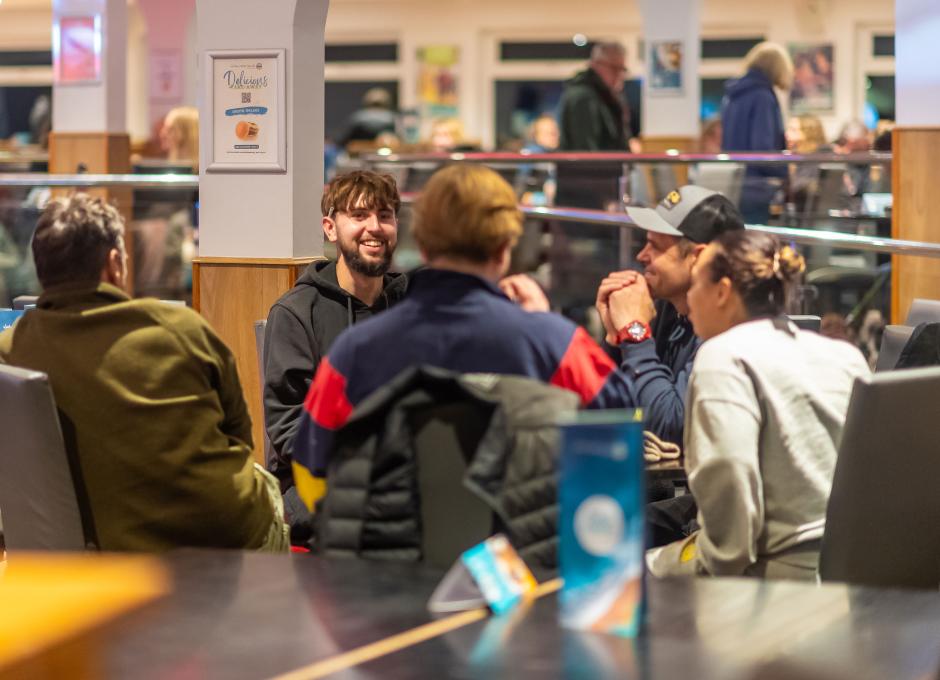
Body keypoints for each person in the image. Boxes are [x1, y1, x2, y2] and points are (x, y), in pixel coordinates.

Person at [290, 164, 639, 510]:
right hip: (523, 555)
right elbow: (621, 439)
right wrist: (542, 323)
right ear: (505, 248)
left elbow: (310, 470)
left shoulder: (355, 351)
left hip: (389, 561)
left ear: (423, 247)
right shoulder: (558, 345)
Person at [0, 194, 288, 552]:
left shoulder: (12, 351)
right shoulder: (181, 328)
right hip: (216, 534)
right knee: (266, 486)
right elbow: (240, 438)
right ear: (114, 262)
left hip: (95, 554)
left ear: (41, 269)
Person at [646, 230, 869, 579]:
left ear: (721, 292)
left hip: (767, 585)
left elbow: (729, 534)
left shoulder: (723, 356)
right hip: (849, 577)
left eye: (696, 284)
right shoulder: (846, 357)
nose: (688, 297)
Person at [263, 171, 408, 495]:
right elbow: (288, 430)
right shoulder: (297, 312)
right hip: (322, 492)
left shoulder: (412, 305)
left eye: (385, 215)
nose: (374, 227)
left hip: (404, 485)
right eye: (359, 215)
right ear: (330, 228)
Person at [596, 185, 745, 447]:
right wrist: (615, 340)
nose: (641, 256)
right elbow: (601, 411)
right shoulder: (668, 307)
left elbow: (669, 430)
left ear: (699, 257)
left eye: (655, 246)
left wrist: (635, 333)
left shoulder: (727, 327)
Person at [721, 41, 793, 223]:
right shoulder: (763, 97)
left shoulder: (732, 96)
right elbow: (763, 150)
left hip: (732, 180)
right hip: (756, 187)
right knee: (754, 242)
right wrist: (785, 172)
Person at [558, 41, 639, 153]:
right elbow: (585, 150)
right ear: (596, 64)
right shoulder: (583, 96)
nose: (619, 75)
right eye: (614, 68)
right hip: (595, 169)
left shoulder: (604, 96)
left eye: (621, 70)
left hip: (606, 168)